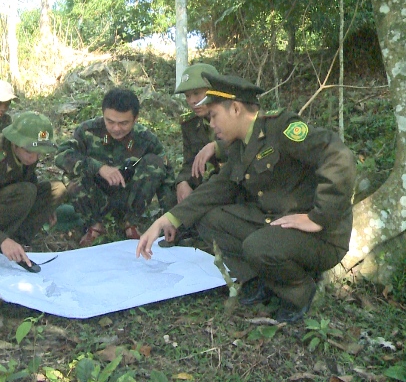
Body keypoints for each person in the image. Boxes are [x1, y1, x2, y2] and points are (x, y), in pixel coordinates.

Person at [136, 73, 356, 323]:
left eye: (214, 116)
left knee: (257, 246)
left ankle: (301, 291)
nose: (211, 125)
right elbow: (216, 188)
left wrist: (319, 217)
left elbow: (339, 156)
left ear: (236, 109)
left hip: (321, 237)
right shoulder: (240, 145)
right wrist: (168, 219)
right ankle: (260, 279)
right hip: (277, 223)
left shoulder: (280, 128)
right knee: (209, 220)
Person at [55, 88, 174, 247]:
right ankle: (95, 226)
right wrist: (98, 168)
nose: (116, 128)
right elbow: (62, 155)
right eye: (110, 121)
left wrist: (171, 217)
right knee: (72, 173)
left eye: (123, 123)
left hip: (127, 198)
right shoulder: (88, 131)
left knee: (155, 163)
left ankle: (130, 224)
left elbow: (167, 176)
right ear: (103, 114)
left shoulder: (146, 139)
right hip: (95, 196)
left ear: (135, 119)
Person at [0, 112, 66, 266]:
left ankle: (19, 241)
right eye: (29, 151)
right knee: (26, 192)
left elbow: (27, 178)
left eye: (39, 153)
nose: (34, 158)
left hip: (8, 200)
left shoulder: (26, 152)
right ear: (14, 142)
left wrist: (44, 207)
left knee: (57, 189)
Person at [174, 63, 227, 203]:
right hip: (206, 187)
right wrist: (182, 181)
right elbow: (189, 161)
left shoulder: (233, 115)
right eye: (187, 96)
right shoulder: (190, 124)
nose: (192, 101)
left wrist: (216, 147)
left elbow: (248, 147)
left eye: (197, 93)